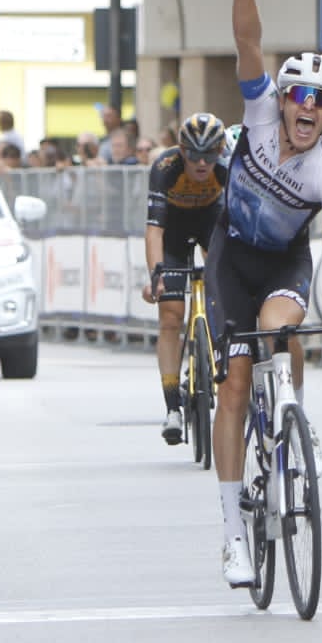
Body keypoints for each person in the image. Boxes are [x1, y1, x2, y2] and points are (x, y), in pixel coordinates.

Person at [205, 0, 322, 587]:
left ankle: (294, 418)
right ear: (286, 97)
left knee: (280, 330)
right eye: (300, 94)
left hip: (282, 262)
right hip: (231, 255)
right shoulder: (261, 111)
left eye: (321, 101)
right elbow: (248, 41)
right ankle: (232, 537)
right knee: (235, 382)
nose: (307, 107)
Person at [143, 112, 228, 444]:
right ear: (181, 151)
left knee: (225, 295)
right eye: (194, 154)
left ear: (220, 151)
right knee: (170, 316)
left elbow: (235, 226)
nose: (202, 163)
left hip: (211, 222)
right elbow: (154, 231)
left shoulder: (226, 167)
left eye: (210, 154)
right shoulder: (165, 168)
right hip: (173, 231)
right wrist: (156, 274)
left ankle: (219, 366)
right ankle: (172, 407)